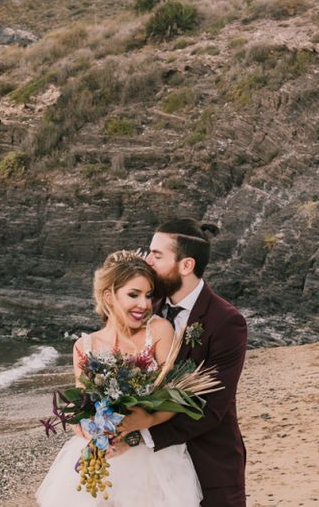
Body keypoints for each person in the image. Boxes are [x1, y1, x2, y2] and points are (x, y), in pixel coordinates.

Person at [35, 250, 202, 507]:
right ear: (109, 296)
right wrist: (86, 430)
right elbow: (83, 408)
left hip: (152, 457)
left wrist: (140, 424)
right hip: (104, 456)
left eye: (148, 295)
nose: (144, 305)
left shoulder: (158, 331)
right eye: (133, 295)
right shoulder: (84, 345)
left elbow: (174, 399)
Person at [117, 217, 248, 507]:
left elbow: (212, 409)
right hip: (148, 470)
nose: (147, 261)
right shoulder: (146, 306)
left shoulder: (226, 322)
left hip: (207, 462)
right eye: (148, 252)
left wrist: (141, 435)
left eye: (157, 255)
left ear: (186, 265)